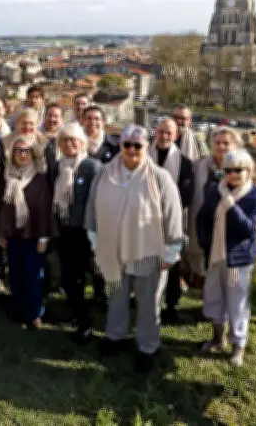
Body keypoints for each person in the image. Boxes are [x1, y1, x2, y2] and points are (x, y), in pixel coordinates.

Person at [85, 125, 185, 374]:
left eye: (137, 145)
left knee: (148, 301)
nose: (131, 150)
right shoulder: (105, 173)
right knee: (117, 295)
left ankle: (147, 347)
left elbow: (173, 215)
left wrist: (172, 251)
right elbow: (92, 207)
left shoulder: (160, 177)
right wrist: (95, 239)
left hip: (148, 250)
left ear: (145, 147)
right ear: (120, 145)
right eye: (127, 144)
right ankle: (115, 336)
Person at [196, 149, 256, 367]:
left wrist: (230, 204)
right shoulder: (214, 190)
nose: (233, 174)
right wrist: (204, 241)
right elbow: (202, 218)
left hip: (239, 259)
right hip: (216, 255)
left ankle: (238, 346)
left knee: (237, 304)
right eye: (228, 170)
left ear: (249, 171)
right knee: (215, 297)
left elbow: (249, 229)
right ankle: (218, 338)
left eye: (238, 170)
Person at [0, 135, 59, 330]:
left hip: (33, 235)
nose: (22, 154)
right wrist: (0, 233)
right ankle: (17, 308)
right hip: (13, 235)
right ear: (12, 153)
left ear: (33, 154)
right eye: (18, 150)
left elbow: (45, 208)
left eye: (26, 151)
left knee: (33, 276)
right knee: (15, 274)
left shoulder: (39, 178)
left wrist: (43, 236)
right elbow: (2, 207)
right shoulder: (7, 175)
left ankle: (34, 314)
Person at [50, 123, 104, 341]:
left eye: (74, 139)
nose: (69, 144)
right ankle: (76, 313)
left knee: (80, 277)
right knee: (68, 277)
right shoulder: (57, 166)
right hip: (63, 229)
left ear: (82, 142)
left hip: (84, 232)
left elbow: (99, 202)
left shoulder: (93, 167)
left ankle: (85, 324)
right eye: (64, 140)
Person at [0, 108, 50, 289]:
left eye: (31, 123)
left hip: (36, 200)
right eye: (23, 122)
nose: (27, 126)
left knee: (34, 261)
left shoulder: (45, 142)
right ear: (17, 124)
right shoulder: (6, 142)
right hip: (11, 197)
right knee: (14, 258)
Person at [149, 117, 195, 324]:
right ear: (155, 132)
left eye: (169, 133)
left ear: (176, 136)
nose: (164, 136)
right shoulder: (144, 155)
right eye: (161, 132)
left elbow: (187, 195)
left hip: (172, 220)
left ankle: (171, 304)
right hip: (145, 220)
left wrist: (165, 209)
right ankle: (145, 298)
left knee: (172, 263)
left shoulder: (185, 163)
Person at [187, 127, 243, 282]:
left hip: (228, 225)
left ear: (235, 146)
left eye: (226, 143)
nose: (221, 146)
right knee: (204, 266)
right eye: (217, 142)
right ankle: (209, 302)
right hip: (204, 226)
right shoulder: (199, 166)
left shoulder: (242, 168)